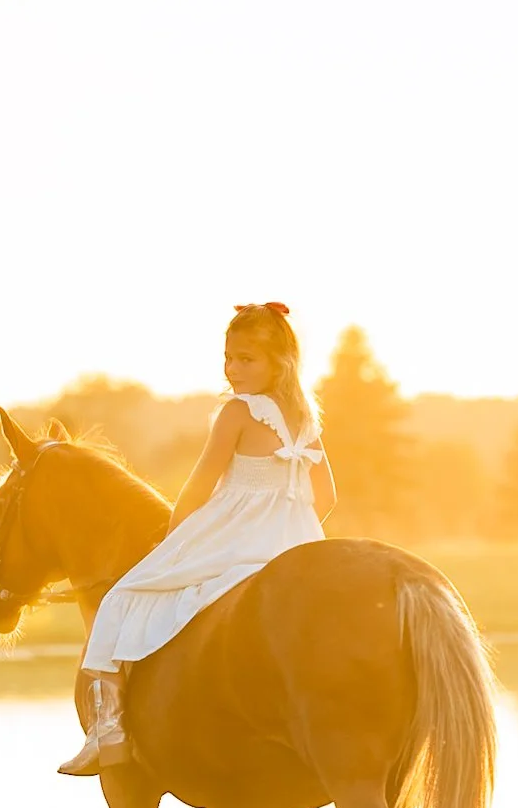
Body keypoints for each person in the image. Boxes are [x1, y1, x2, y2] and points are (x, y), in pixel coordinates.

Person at [58, 302, 338, 776]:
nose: (233, 370)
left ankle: (108, 730)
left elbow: (200, 484)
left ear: (280, 362)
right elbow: (327, 496)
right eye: (228, 358)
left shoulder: (237, 411)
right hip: (295, 541)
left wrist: (172, 544)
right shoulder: (304, 416)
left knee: (122, 596)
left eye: (246, 359)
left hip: (233, 535)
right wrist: (289, 521)